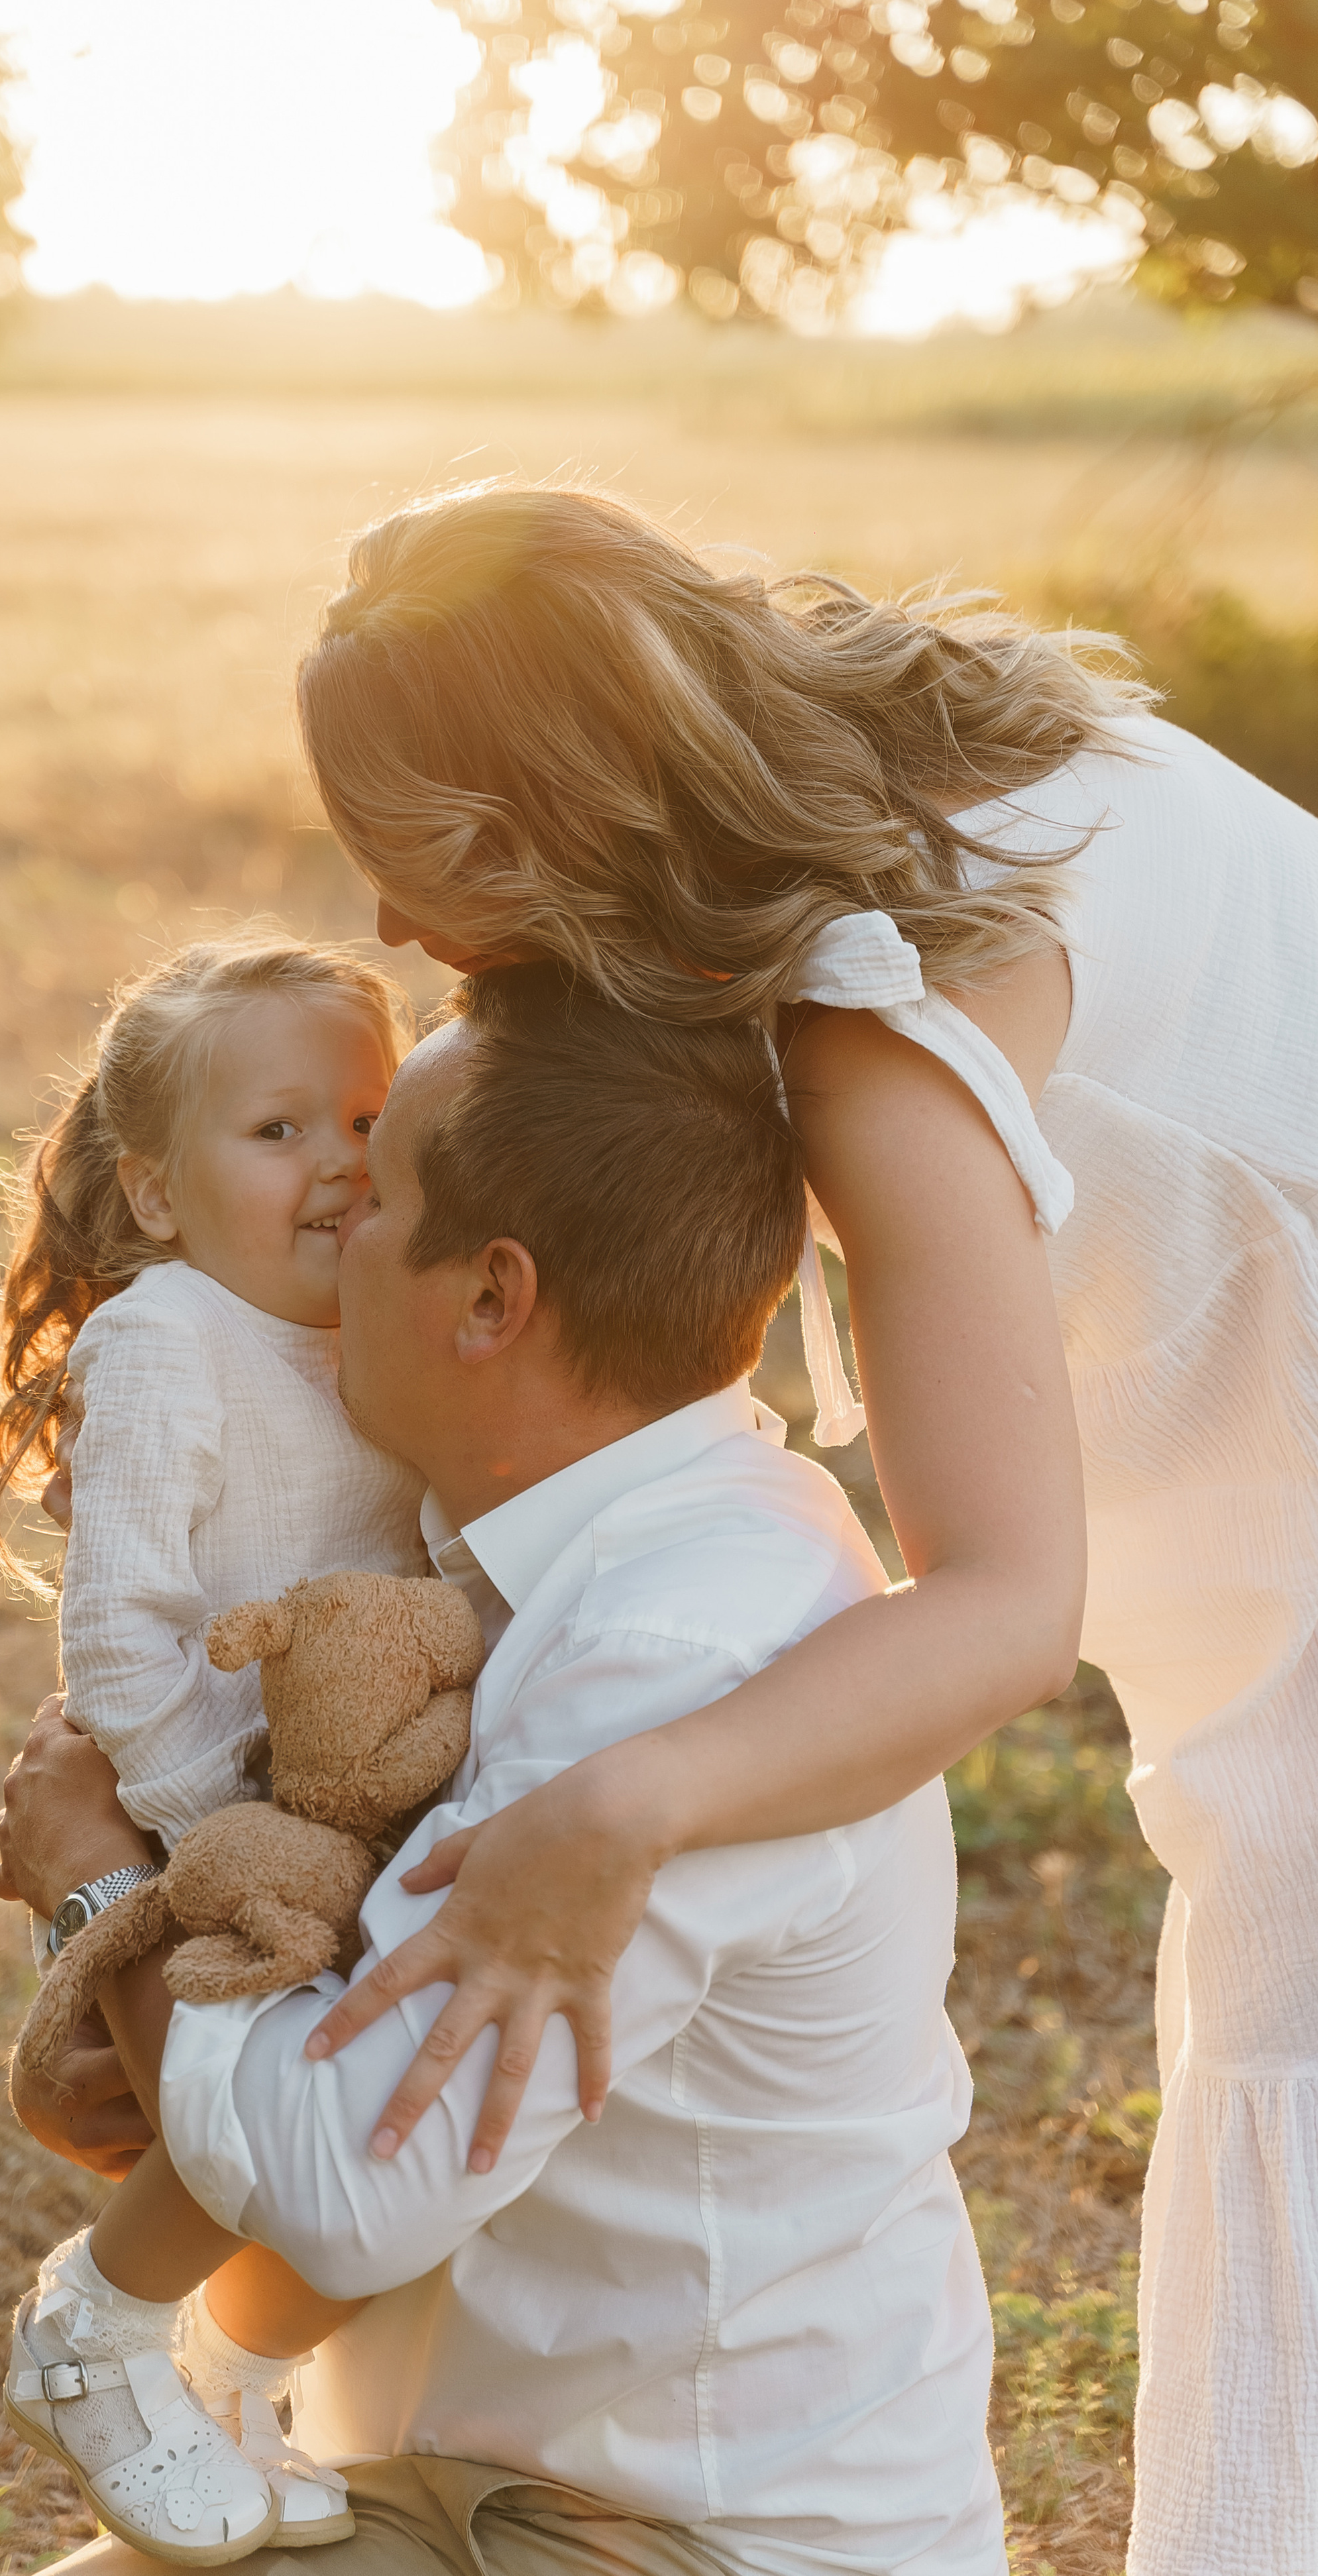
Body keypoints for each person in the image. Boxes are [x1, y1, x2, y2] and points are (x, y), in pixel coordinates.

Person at [284, 484, 1318, 2576]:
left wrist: (631, 1798)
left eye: (407, 861)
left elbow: (1003, 1607)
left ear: (538, 813)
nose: (392, 929)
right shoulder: (970, 743)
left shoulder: (882, 1022)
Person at [0, 966, 1007, 2575]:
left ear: (488, 1300)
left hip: (684, 2539)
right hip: (475, 2484)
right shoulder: (546, 1554)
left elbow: (336, 2180)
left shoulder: (673, 1649)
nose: (335, 1220)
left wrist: (97, 1885)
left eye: (376, 1186)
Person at [0, 932, 433, 2555]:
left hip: (351, 1799)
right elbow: (115, 1629)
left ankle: (227, 2371)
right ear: (159, 1194)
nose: (339, 1165)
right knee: (281, 2109)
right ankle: (92, 2334)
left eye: (370, 1121)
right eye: (279, 1132)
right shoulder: (171, 1336)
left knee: (378, 2127)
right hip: (211, 1813)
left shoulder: (365, 1326)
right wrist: (204, 1838)